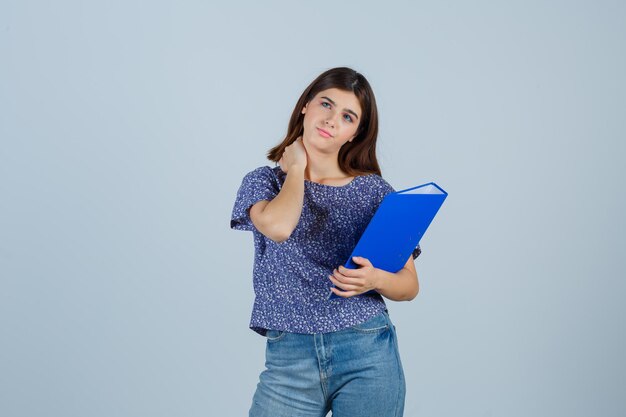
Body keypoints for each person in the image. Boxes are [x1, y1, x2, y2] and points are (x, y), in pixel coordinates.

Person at [230, 67, 421, 417]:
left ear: (355, 133)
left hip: (366, 351)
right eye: (326, 104)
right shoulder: (263, 183)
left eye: (347, 117)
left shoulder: (374, 192)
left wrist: (375, 279)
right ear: (306, 106)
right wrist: (297, 167)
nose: (332, 120)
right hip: (289, 362)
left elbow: (409, 285)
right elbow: (279, 227)